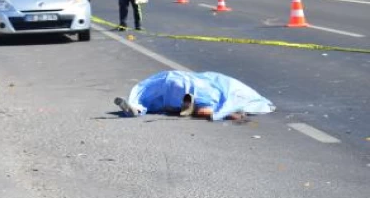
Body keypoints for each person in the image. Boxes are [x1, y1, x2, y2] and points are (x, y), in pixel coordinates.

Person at [114, 70, 276, 121]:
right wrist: (227, 113)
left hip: (178, 80)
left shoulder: (229, 87)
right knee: (164, 95)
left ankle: (137, 106)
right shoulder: (238, 93)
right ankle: (190, 108)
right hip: (194, 87)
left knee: (154, 91)